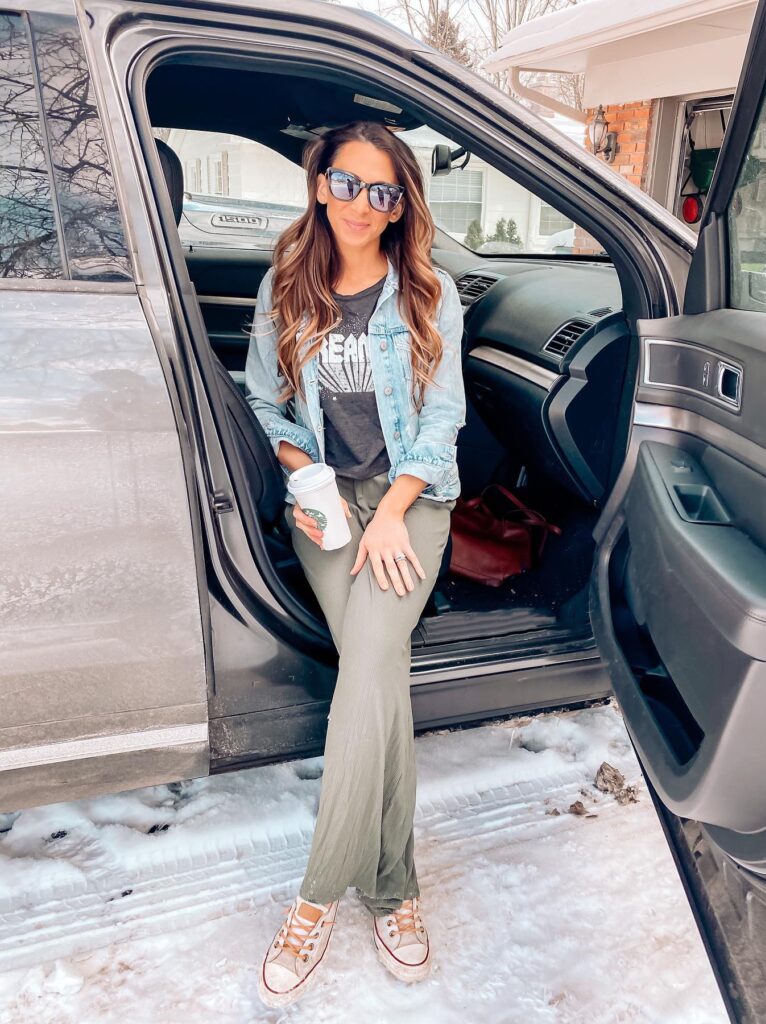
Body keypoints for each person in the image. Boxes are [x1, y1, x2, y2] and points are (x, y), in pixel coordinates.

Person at [244, 119, 466, 1007]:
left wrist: (393, 514)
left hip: (412, 504)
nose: (361, 206)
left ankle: (316, 900)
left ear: (401, 202)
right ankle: (394, 893)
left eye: (383, 192)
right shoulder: (284, 285)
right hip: (327, 507)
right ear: (319, 182)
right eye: (346, 184)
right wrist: (312, 480)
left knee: (368, 671)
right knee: (381, 681)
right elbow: (265, 404)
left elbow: (443, 417)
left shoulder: (426, 292)